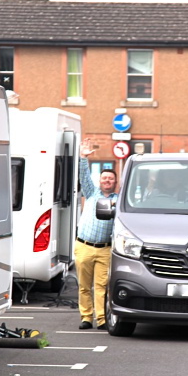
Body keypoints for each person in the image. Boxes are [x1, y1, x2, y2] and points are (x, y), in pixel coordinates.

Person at [74, 139, 118, 330]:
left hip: (105, 249)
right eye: (104, 178)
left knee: (101, 287)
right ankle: (86, 317)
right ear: (99, 181)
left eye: (110, 179)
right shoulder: (91, 193)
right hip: (84, 246)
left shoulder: (119, 201)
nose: (107, 181)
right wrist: (83, 157)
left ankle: (101, 319)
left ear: (116, 182)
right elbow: (84, 176)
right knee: (84, 286)